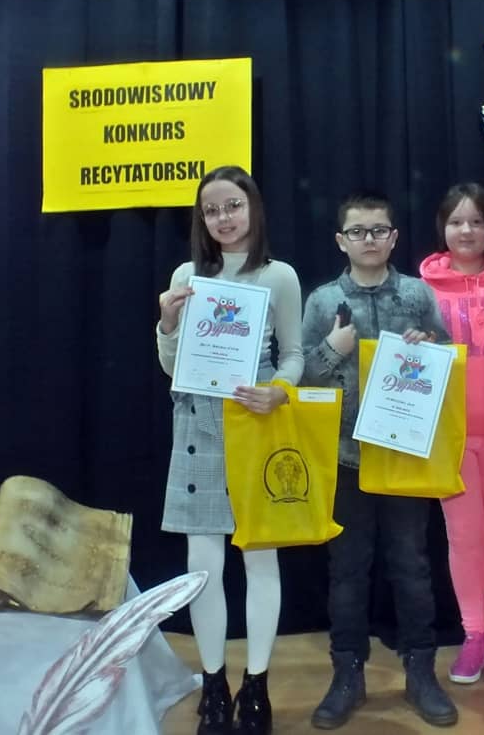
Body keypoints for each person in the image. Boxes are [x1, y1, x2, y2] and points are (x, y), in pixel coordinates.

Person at [156, 165, 303, 735]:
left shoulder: (279, 275)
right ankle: (214, 685)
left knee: (260, 559)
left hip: (255, 419)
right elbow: (172, 366)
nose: (223, 218)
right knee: (204, 565)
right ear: (201, 218)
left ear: (253, 208)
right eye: (212, 210)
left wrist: (280, 390)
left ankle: (257, 685)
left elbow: (294, 354)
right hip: (199, 422)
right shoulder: (187, 274)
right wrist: (168, 323)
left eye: (233, 206)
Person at [301, 192, 457, 729]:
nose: (368, 240)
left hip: (405, 457)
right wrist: (332, 350)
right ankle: (347, 674)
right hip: (346, 459)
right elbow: (303, 377)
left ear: (394, 237)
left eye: (378, 231)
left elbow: (447, 359)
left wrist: (429, 343)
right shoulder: (323, 301)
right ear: (340, 240)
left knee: (412, 567)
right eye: (357, 231)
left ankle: (421, 671)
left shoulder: (416, 294)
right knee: (347, 572)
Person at [418, 183, 484, 688]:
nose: (466, 231)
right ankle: (473, 635)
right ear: (443, 227)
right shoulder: (420, 289)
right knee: (463, 538)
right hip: (450, 438)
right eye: (457, 221)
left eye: (477, 222)